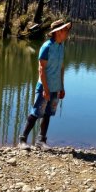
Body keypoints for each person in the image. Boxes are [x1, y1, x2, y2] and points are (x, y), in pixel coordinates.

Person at [19, 19, 72, 150]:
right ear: (58, 32)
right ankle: (22, 140)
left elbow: (61, 67)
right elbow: (41, 69)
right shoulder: (47, 47)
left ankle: (41, 141)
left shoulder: (61, 47)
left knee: (48, 113)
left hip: (55, 87)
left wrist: (62, 87)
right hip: (44, 87)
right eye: (65, 30)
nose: (67, 33)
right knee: (36, 112)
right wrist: (46, 89)